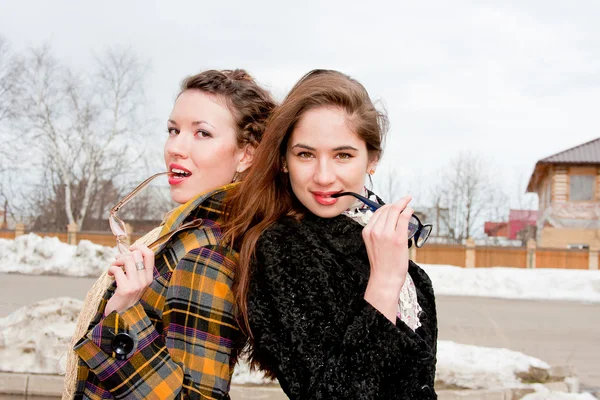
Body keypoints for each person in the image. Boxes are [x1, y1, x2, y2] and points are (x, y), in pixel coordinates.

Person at [63, 69, 276, 400]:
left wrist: (123, 317)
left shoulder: (206, 256)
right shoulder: (182, 234)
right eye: (173, 130)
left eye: (202, 133)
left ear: (246, 154)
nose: (176, 146)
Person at [225, 69, 438, 399]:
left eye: (343, 155)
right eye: (305, 154)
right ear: (283, 160)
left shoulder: (381, 245)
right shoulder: (280, 248)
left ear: (372, 159)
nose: (323, 177)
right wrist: (382, 284)